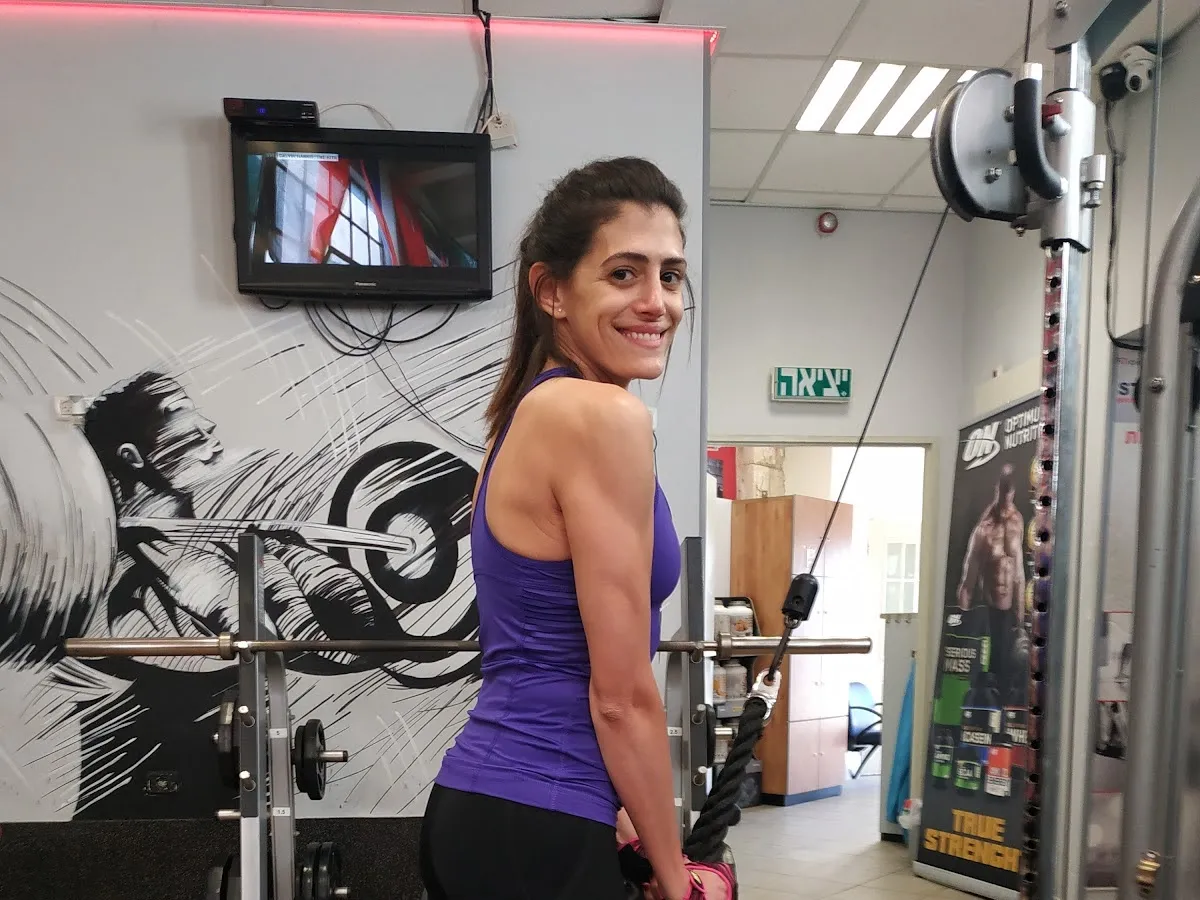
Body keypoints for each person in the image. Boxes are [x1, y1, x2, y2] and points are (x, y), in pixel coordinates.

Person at [419, 158, 732, 900]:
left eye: (671, 276)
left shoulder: (529, 410)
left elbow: (548, 657)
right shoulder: (600, 415)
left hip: (503, 811)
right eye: (624, 274)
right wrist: (676, 877)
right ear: (551, 291)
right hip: (535, 825)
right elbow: (620, 696)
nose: (656, 302)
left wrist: (624, 821)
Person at [956, 463, 1027, 692]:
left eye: (1010, 489)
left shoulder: (1018, 522)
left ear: (1013, 490)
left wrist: (1021, 622)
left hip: (1010, 617)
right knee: (987, 684)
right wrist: (963, 629)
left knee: (1011, 686)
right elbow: (968, 582)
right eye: (1003, 488)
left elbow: (1018, 573)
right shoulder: (984, 530)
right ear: (997, 488)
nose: (1006, 494)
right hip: (989, 614)